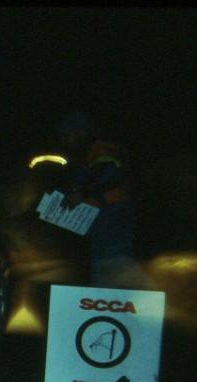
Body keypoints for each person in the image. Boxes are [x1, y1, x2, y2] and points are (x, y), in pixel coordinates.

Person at [58, 112, 150, 288]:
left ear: (80, 133)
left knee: (114, 265)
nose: (65, 142)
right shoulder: (86, 156)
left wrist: (81, 195)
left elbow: (109, 175)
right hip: (102, 224)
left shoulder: (100, 149)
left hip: (113, 219)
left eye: (67, 136)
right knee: (107, 267)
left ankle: (138, 305)